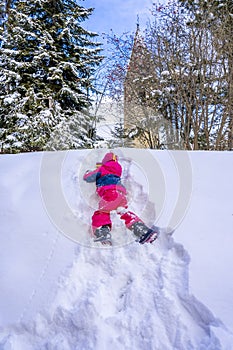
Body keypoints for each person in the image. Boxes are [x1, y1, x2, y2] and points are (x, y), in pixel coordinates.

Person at [83, 152, 158, 245]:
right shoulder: (117, 169)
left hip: (110, 193)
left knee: (102, 212)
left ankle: (102, 232)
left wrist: (89, 172)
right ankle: (143, 231)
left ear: (104, 161)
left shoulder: (102, 169)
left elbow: (88, 177)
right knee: (124, 213)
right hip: (121, 194)